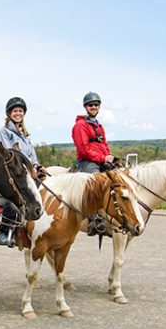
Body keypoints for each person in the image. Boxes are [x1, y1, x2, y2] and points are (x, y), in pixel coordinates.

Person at [71, 91, 119, 235]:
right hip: (86, 161)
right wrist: (102, 159)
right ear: (86, 107)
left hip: (100, 160)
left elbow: (104, 145)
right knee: (97, 182)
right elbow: (83, 149)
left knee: (119, 179)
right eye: (91, 105)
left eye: (96, 105)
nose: (94, 107)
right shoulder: (80, 125)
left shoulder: (99, 126)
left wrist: (109, 157)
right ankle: (95, 219)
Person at [0, 97, 40, 247]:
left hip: (26, 171)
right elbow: (9, 154)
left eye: (20, 111)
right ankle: (4, 231)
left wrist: (37, 166)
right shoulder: (5, 132)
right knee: (14, 195)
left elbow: (31, 153)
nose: (18, 113)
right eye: (15, 111)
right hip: (12, 171)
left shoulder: (25, 134)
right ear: (9, 113)